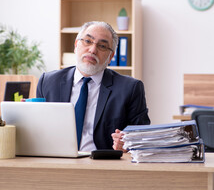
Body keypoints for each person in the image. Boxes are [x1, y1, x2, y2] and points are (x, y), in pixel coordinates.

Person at [36, 21, 150, 151]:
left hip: (102, 165)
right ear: (76, 45)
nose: (92, 50)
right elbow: (38, 129)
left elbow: (142, 139)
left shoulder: (130, 88)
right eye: (88, 41)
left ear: (110, 56)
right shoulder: (48, 82)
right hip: (56, 161)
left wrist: (127, 145)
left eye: (102, 46)